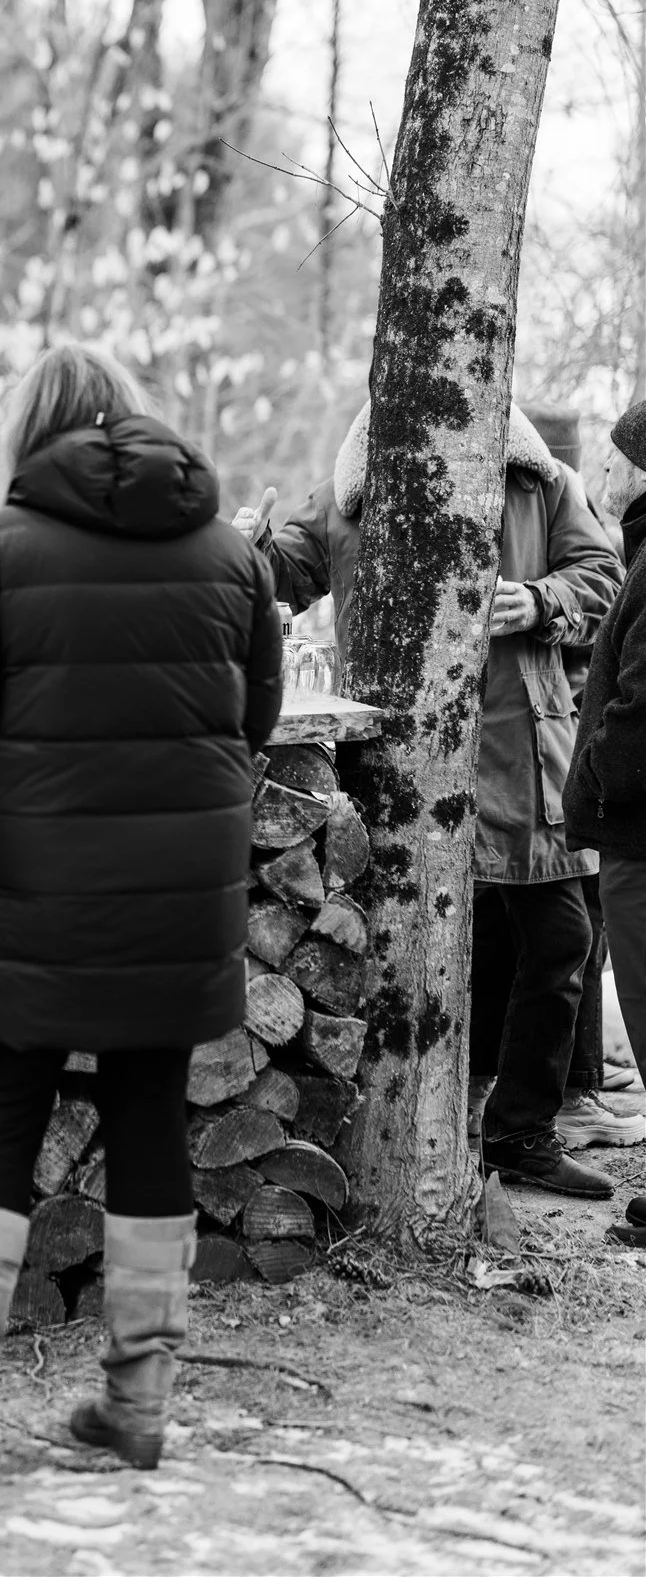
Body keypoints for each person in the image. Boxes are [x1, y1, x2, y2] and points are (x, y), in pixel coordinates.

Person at [0, 344, 283, 1494]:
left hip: (37, 886)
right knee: (150, 1115)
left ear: (34, 433)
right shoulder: (231, 554)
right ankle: (137, 1406)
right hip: (177, 892)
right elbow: (255, 716)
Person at [233, 399, 621, 1197]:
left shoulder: (543, 483)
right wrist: (248, 550)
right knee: (432, 953)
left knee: (560, 941)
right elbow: (285, 575)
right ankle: (448, 1123)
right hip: (404, 764)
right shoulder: (354, 488)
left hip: (521, 754)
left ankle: (519, 1133)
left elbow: (604, 579)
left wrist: (541, 600)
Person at [522, 406, 640, 1146]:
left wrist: (543, 602)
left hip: (583, 769)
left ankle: (577, 1089)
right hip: (575, 770)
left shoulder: (555, 496)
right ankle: (569, 1091)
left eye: (614, 460)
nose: (599, 471)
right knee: (571, 934)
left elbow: (599, 586)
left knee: (580, 931)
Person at [565, 401, 646, 1113]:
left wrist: (593, 777)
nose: (603, 469)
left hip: (638, 836)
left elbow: (641, 708)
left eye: (614, 458)